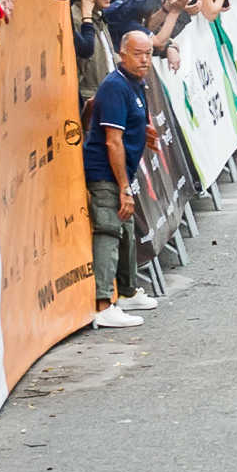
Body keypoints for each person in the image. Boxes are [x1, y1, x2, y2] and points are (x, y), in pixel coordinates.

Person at [84, 27, 162, 331]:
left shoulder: (135, 83)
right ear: (122, 54)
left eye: (149, 54)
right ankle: (104, 304)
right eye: (138, 54)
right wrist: (123, 188)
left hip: (121, 172)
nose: (144, 60)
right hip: (106, 173)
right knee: (109, 230)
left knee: (127, 229)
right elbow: (112, 141)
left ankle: (127, 292)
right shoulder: (115, 86)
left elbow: (119, 118)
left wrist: (146, 133)